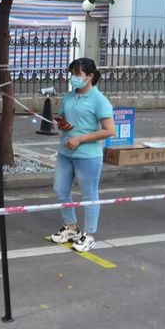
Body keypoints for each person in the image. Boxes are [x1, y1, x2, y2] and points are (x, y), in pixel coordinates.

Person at [51, 57, 115, 252]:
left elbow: (110, 131)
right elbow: (62, 118)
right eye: (71, 74)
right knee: (60, 190)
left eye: (77, 74)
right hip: (65, 152)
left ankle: (89, 235)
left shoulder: (99, 100)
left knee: (89, 194)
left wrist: (80, 139)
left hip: (88, 156)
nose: (73, 78)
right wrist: (62, 124)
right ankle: (71, 228)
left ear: (90, 76)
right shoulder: (69, 97)